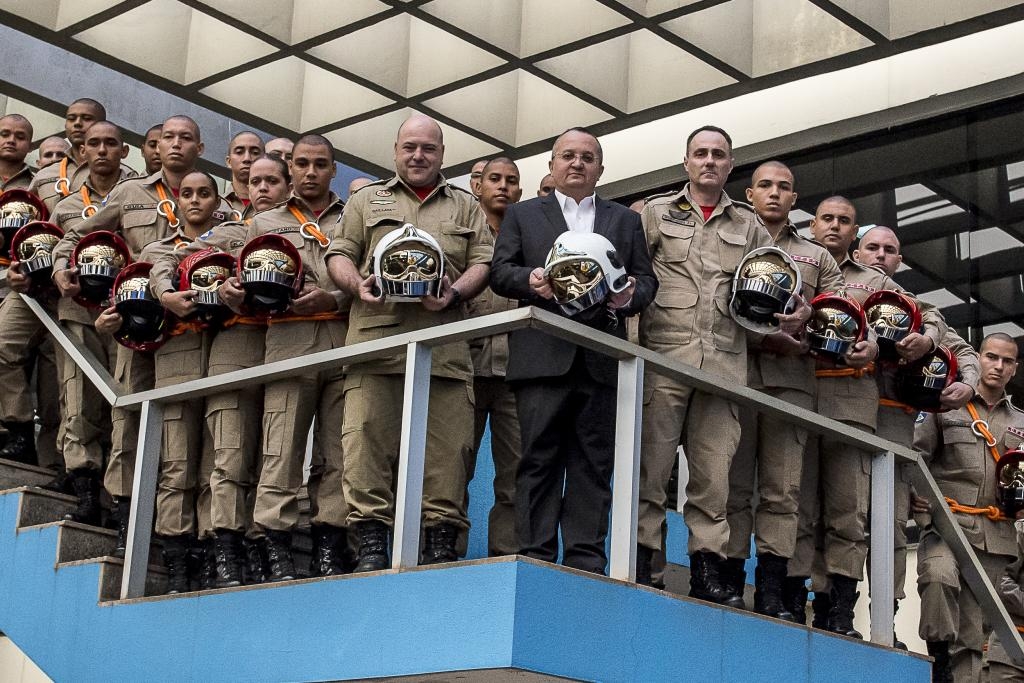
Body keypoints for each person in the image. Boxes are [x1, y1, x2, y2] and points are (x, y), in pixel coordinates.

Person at [327, 114, 492, 571]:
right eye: (410, 147)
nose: (418, 156)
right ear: (396, 151)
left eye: (428, 148)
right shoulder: (366, 200)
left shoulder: (465, 205)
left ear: (442, 154)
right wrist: (356, 285)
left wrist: (456, 293)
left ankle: (439, 546)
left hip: (444, 348)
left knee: (450, 455)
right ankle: (371, 544)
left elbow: (483, 260)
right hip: (375, 347)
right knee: (364, 445)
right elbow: (339, 252)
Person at [51, 115, 225, 544]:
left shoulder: (222, 210)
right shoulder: (130, 193)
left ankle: (175, 525)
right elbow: (77, 233)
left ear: (199, 148)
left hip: (188, 334)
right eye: (169, 137)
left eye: (187, 137)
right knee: (127, 414)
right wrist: (60, 265)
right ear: (157, 145)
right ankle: (126, 510)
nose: (177, 144)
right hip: (136, 325)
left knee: (181, 425)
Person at [491, 126, 657, 574]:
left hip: (601, 357)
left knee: (592, 461)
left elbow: (646, 281)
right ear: (551, 166)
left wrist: (628, 297)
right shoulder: (523, 215)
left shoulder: (624, 220)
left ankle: (585, 557)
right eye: (568, 156)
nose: (577, 163)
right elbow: (500, 271)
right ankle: (535, 553)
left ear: (601, 168)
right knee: (538, 458)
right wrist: (532, 281)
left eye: (587, 157)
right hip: (541, 356)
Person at [636, 126, 782, 602]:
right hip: (664, 359)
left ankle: (707, 572)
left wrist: (790, 313)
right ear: (686, 163)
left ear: (730, 166)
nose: (709, 161)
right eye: (700, 153)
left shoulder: (750, 224)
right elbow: (635, 282)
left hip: (723, 367)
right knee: (650, 471)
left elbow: (769, 289)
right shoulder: (656, 212)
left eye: (719, 154)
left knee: (713, 480)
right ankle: (642, 562)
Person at [794, 196, 944, 637]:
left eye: (844, 220)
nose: (835, 226)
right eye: (827, 218)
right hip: (798, 397)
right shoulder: (795, 261)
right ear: (814, 224)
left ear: (853, 231)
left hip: (853, 407)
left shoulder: (876, 283)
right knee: (799, 508)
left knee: (846, 513)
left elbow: (929, 315)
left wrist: (921, 339)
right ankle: (788, 597)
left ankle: (837, 611)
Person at [149, 154, 295, 586]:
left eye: (272, 181)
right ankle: (223, 550)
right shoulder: (231, 231)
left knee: (274, 453)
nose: (264, 189)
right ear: (244, 189)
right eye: (255, 182)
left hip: (291, 347)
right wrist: (165, 293)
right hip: (239, 346)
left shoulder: (303, 230)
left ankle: (261, 542)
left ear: (287, 186)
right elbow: (172, 259)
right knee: (228, 452)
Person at [722, 161, 844, 621]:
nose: (775, 193)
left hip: (792, 385)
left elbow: (840, 313)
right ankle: (728, 579)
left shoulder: (818, 256)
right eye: (765, 186)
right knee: (731, 488)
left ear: (796, 201)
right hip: (734, 375)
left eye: (785, 187)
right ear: (749, 195)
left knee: (782, 492)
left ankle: (771, 589)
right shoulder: (727, 238)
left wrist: (807, 318)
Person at [851, 224, 978, 643]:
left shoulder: (915, 307)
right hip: (841, 421)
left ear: (900, 261)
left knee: (888, 531)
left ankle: (884, 624)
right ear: (857, 252)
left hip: (893, 432)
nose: (881, 256)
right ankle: (836, 612)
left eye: (890, 250)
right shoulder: (839, 288)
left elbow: (963, 352)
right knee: (840, 523)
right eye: (872, 247)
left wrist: (968, 384)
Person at [96, 170, 221, 593]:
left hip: (228, 353)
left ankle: (212, 545)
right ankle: (176, 551)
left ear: (217, 200)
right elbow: (137, 304)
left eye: (204, 193)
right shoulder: (154, 250)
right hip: (176, 356)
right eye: (187, 193)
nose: (195, 201)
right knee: (178, 457)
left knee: (220, 457)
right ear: (177, 201)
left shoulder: (235, 239)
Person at [914, 333, 1023, 683]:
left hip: (997, 537)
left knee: (975, 632)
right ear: (979, 358)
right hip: (947, 524)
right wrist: (916, 499)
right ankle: (939, 661)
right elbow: (915, 456)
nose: (998, 366)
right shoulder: (947, 403)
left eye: (1007, 361)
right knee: (937, 578)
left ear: (1015, 369)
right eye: (992, 357)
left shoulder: (1021, 423)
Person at [465, 157, 523, 557]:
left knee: (517, 474)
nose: (503, 186)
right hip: (464, 366)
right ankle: (440, 553)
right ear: (477, 186)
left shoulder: (530, 234)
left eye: (512, 181)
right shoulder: (465, 230)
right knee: (451, 468)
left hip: (515, 370)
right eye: (495, 179)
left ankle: (506, 557)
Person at [29, 99, 106, 210]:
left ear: (102, 125)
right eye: (71, 119)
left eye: (87, 118)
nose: (77, 123)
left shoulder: (122, 174)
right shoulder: (44, 174)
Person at [222, 131, 263, 219]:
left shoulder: (276, 207)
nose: (247, 158)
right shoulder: (215, 204)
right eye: (239, 152)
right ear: (229, 162)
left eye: (255, 153)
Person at [0, 114, 34, 190]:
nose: (11, 140)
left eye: (20, 137)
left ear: (30, 147)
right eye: (5, 135)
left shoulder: (36, 186)